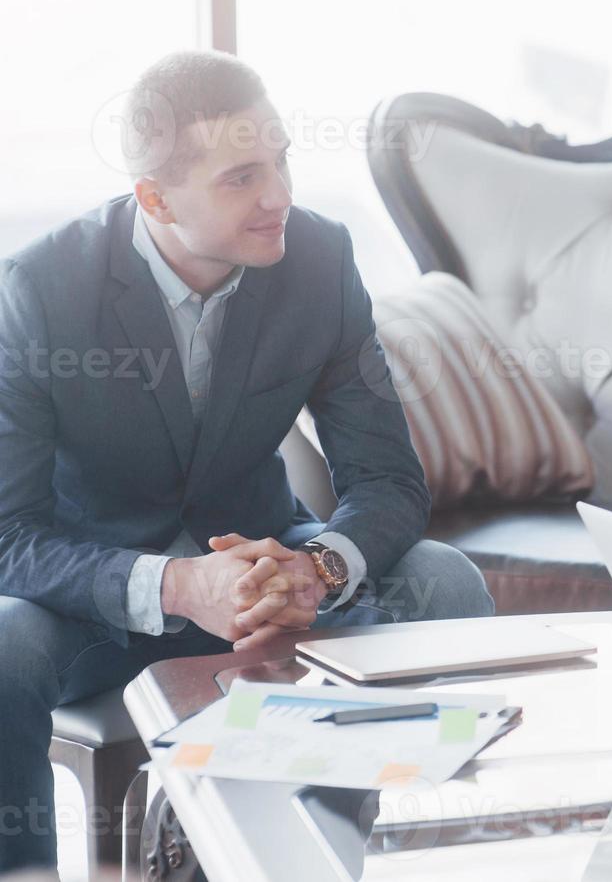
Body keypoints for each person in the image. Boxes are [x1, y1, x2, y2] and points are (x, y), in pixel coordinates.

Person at [0, 50, 495, 871]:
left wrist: (318, 569)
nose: (280, 197)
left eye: (282, 160)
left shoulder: (319, 259)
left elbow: (387, 479)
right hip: (100, 605)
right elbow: (10, 535)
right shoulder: (40, 289)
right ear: (154, 197)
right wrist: (175, 584)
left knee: (445, 579)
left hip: (273, 581)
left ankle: (338, 852)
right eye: (242, 178)